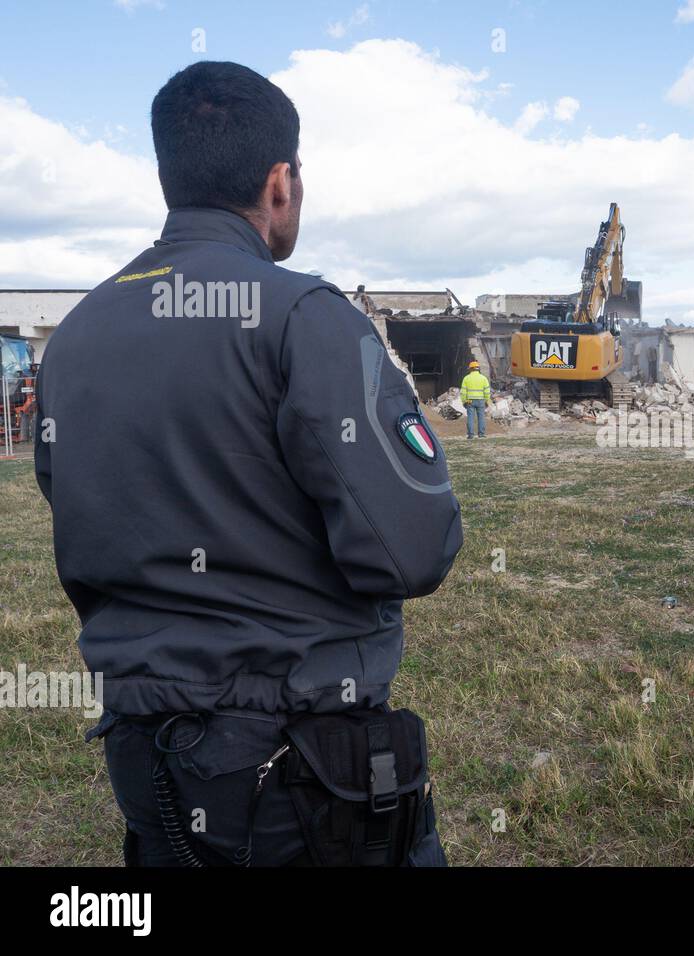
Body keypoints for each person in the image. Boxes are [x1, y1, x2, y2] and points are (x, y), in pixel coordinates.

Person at [34, 61, 463, 866]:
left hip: (146, 758)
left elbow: (79, 528)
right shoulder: (305, 317)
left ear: (170, 175)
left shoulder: (76, 336)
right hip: (308, 781)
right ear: (280, 182)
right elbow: (414, 548)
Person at [460, 360, 491, 439]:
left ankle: (471, 435)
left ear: (470, 369)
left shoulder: (466, 378)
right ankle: (481, 434)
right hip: (481, 401)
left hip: (470, 401)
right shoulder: (483, 378)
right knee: (481, 417)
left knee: (470, 417)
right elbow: (487, 391)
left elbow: (463, 392)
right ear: (478, 369)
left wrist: (464, 401)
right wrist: (487, 400)